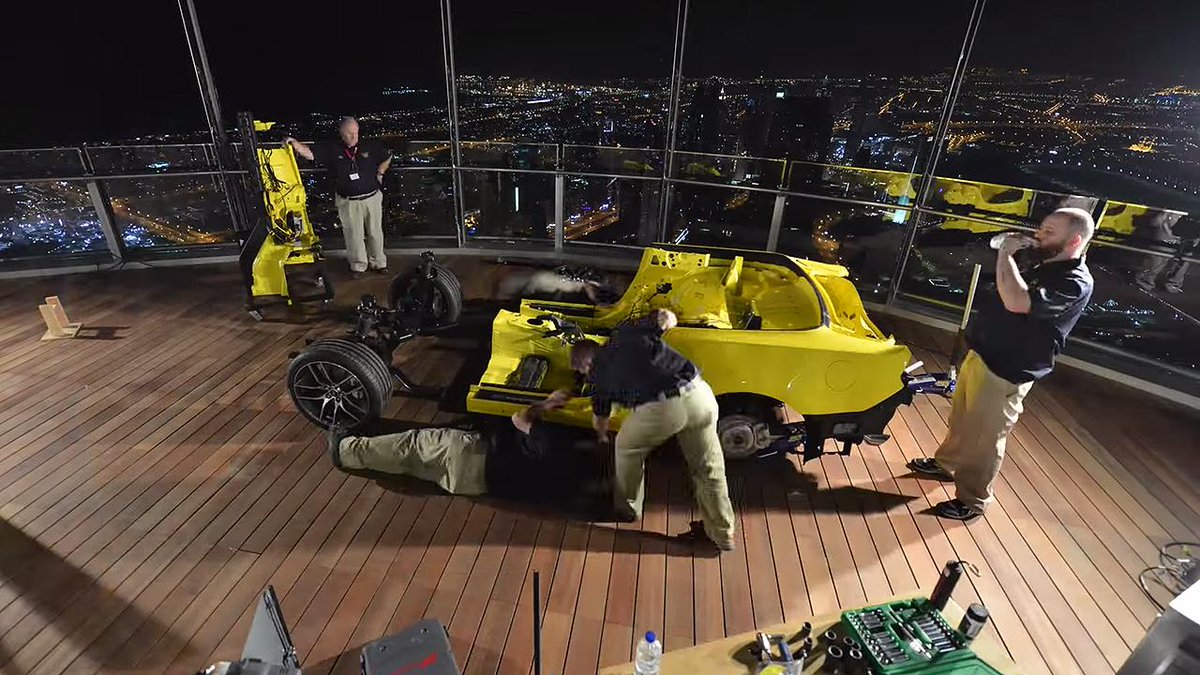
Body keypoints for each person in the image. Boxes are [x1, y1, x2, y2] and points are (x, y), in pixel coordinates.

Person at [908, 208, 1095, 521]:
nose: (1039, 234)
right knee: (963, 417)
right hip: (983, 353)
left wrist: (1006, 253)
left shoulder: (1074, 282)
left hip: (1007, 368)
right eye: (1042, 227)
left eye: (1050, 231)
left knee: (986, 437)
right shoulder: (1043, 261)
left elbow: (1017, 302)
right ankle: (946, 464)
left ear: (1074, 241)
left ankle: (972, 500)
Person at [570, 308, 736, 551]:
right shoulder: (625, 334)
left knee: (626, 448)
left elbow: (601, 419)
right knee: (709, 468)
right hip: (700, 394)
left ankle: (627, 509)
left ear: (586, 363)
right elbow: (667, 317)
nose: (583, 374)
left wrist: (602, 435)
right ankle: (722, 533)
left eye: (580, 370)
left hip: (664, 409)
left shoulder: (597, 375)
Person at [329, 390, 606, 506]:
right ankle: (355, 452)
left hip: (470, 456)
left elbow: (517, 425)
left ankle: (345, 449)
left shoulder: (555, 449)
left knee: (413, 446)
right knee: (410, 463)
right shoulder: (573, 476)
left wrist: (545, 404)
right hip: (476, 482)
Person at [285, 117, 392, 276]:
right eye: (349, 134)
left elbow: (387, 156)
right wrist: (294, 143)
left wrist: (380, 173)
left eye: (356, 133)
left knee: (375, 232)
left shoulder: (370, 145)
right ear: (342, 134)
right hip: (348, 201)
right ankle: (358, 266)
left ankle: (379, 263)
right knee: (354, 236)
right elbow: (311, 154)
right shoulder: (333, 149)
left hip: (372, 197)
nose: (354, 137)